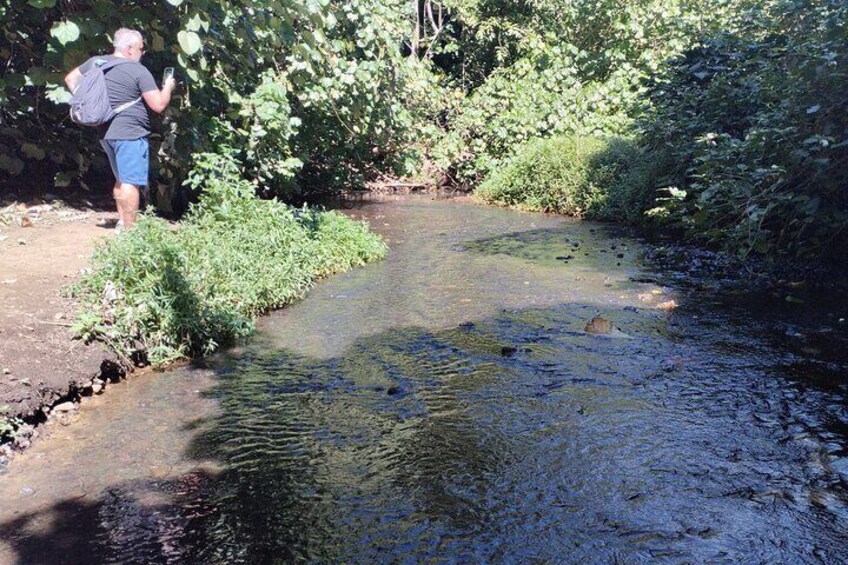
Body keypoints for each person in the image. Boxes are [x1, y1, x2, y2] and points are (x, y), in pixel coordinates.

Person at [64, 28, 175, 230]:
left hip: (105, 133)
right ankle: (130, 232)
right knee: (130, 182)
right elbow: (158, 104)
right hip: (130, 132)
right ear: (129, 48)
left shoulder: (96, 63)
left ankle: (123, 222)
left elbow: (70, 79)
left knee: (120, 179)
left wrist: (86, 101)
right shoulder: (138, 71)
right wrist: (167, 86)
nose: (143, 53)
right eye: (141, 48)